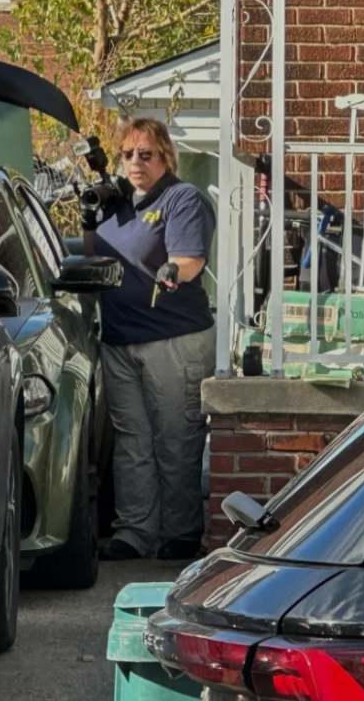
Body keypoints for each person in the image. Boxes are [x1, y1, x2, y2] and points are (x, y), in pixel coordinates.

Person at [86, 118, 216, 562]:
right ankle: (135, 532)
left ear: (166, 157)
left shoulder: (183, 199)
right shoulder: (116, 202)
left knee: (175, 438)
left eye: (146, 153)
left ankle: (180, 533)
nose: (136, 162)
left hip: (173, 340)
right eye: (128, 154)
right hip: (120, 340)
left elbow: (189, 258)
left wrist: (172, 271)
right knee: (132, 440)